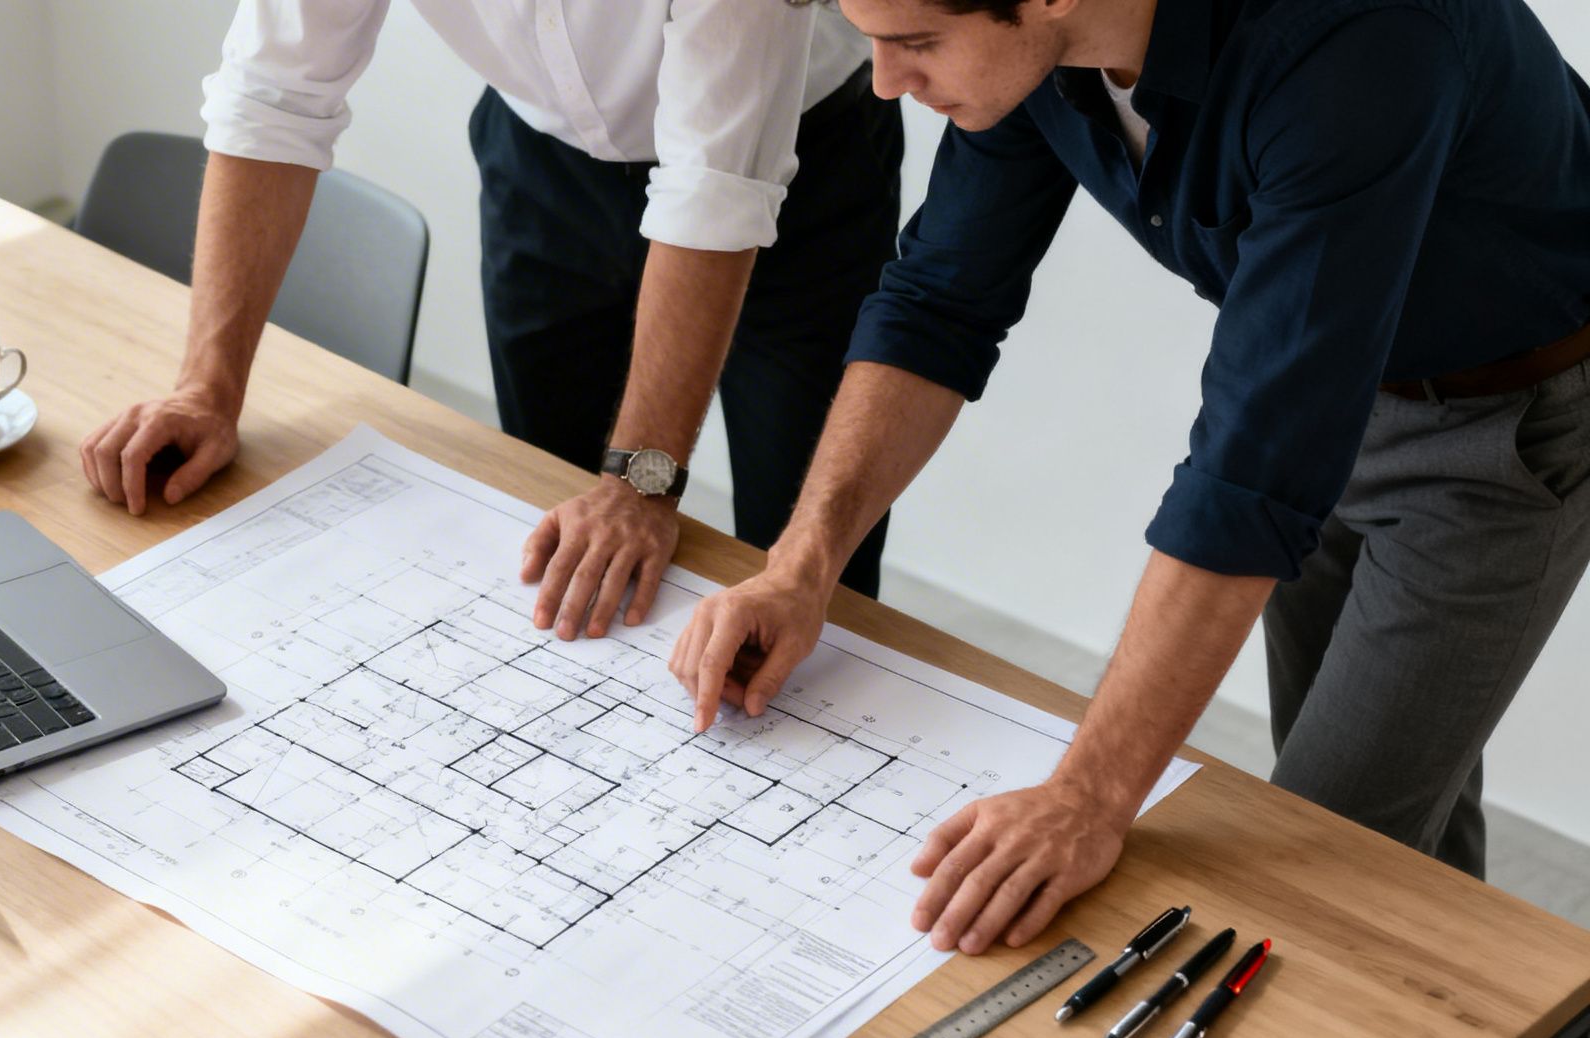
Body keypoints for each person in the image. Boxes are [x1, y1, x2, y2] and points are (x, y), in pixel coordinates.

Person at [672, 0, 1590, 956]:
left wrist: (1091, 795)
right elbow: (939, 299)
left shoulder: (1359, 42)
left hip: (1505, 426)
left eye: (914, 44)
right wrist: (801, 564)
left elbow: (1251, 475)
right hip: (1333, 386)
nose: (883, 82)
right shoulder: (1038, 51)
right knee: (1395, 815)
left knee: (1327, 855)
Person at [80, 1, 905, 640]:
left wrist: (639, 480)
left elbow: (713, 191)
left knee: (807, 556)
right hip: (542, 160)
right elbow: (273, 98)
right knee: (550, 522)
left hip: (801, 171)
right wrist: (208, 388)